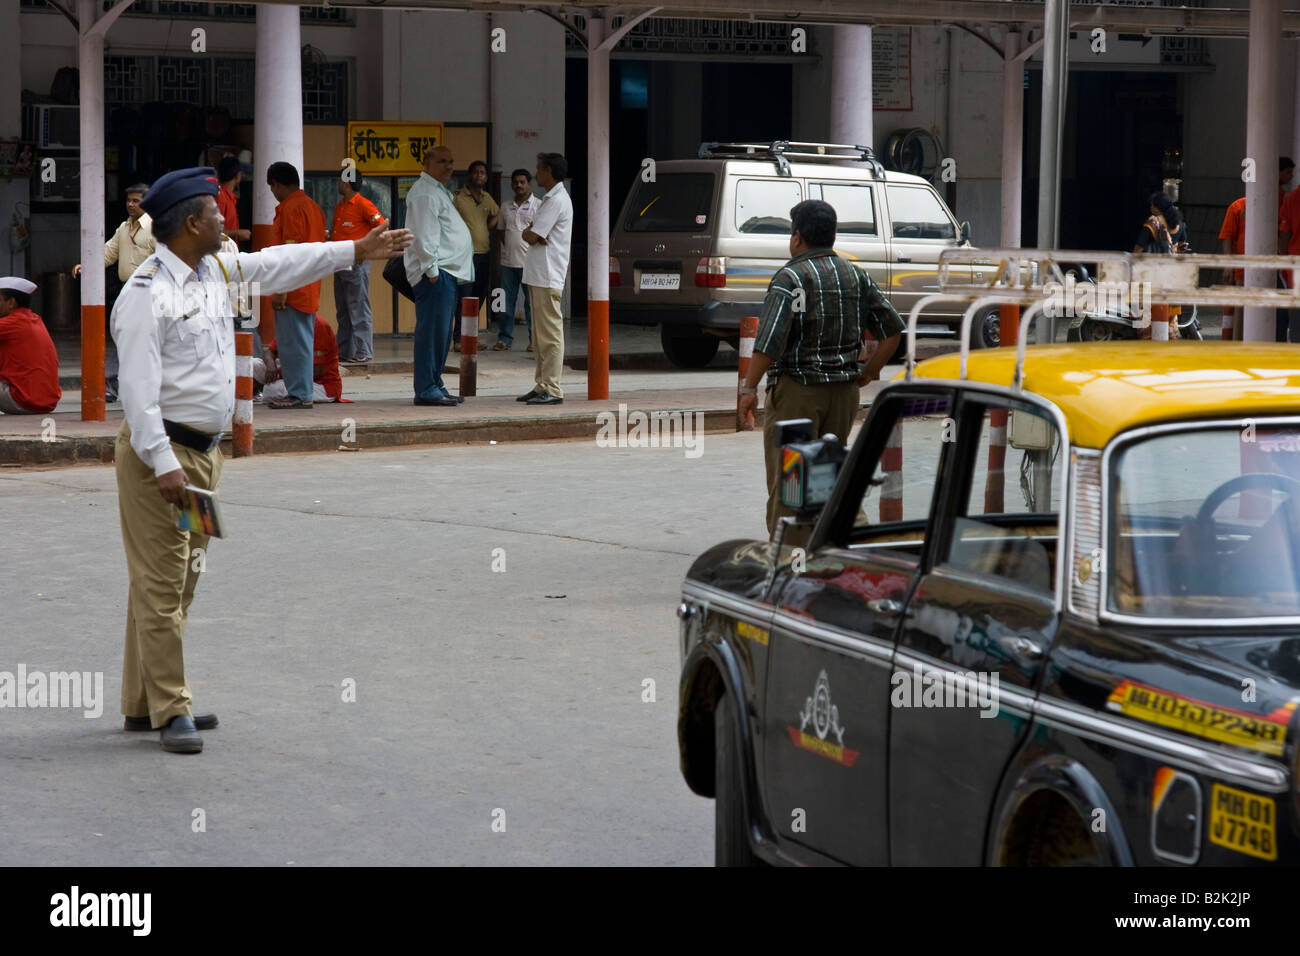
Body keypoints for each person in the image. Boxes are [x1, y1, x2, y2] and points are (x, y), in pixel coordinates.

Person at [110, 166, 410, 753]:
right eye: (217, 211)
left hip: (201, 458)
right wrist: (164, 464)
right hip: (162, 460)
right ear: (192, 223)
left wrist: (355, 250)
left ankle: (143, 702)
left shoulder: (213, 267)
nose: (228, 219)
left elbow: (280, 264)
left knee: (178, 578)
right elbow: (138, 394)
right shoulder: (147, 295)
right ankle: (173, 708)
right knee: (163, 582)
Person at [736, 199, 904, 539]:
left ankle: (790, 564)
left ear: (797, 237)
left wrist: (748, 390)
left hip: (798, 395)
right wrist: (869, 371)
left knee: (793, 484)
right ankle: (840, 553)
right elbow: (893, 331)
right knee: (831, 477)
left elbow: (768, 342)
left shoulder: (790, 277)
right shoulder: (856, 276)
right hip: (843, 395)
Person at [404, 145, 473, 406]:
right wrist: (432, 271)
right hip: (435, 274)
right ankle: (426, 388)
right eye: (442, 161)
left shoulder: (437, 191)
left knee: (442, 333)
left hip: (446, 273)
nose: (449, 166)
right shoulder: (424, 194)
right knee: (432, 332)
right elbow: (423, 236)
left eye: (452, 161)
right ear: (427, 163)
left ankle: (435, 383)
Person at [72, 183, 155, 400]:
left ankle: (114, 384)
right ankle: (115, 384)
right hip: (128, 291)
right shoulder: (124, 228)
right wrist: (87, 265)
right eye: (128, 200)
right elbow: (108, 253)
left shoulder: (157, 228)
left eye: (136, 201)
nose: (130, 204)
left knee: (134, 337)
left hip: (151, 292)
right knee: (126, 336)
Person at [266, 161, 328, 409]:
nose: (272, 192)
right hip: (307, 286)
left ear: (278, 184)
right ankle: (299, 392)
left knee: (293, 345)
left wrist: (281, 290)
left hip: (293, 289)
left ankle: (300, 394)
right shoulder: (312, 207)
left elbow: (289, 254)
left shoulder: (291, 209)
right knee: (298, 343)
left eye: (272, 187)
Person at [519, 152, 573, 405]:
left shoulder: (555, 200)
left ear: (549, 171)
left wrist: (532, 232)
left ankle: (552, 388)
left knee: (550, 334)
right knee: (540, 336)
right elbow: (532, 234)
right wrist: (532, 232)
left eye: (539, 169)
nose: (536, 173)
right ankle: (541, 384)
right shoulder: (550, 199)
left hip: (548, 274)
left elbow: (531, 235)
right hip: (539, 274)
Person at [331, 172, 386, 364]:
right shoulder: (342, 206)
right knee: (343, 309)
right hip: (340, 264)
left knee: (359, 307)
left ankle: (364, 350)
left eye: (339, 180)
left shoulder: (363, 204)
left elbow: (381, 227)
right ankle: (345, 351)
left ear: (346, 182)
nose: (338, 184)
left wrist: (367, 251)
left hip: (356, 264)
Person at [452, 160, 500, 347]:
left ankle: (469, 338)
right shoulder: (458, 198)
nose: (479, 175)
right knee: (464, 297)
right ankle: (458, 339)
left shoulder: (487, 198)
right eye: (476, 172)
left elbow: (498, 213)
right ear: (469, 175)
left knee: (478, 297)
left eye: (483, 173)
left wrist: (487, 227)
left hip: (484, 254)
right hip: (465, 256)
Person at [0, 276, 61, 415]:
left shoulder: (12, 323)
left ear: (11, 303)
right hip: (44, 401)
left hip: (23, 400)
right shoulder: (33, 319)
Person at [1133, 191, 1186, 340]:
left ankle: (1149, 338)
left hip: (1154, 272)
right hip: (1172, 273)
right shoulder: (1179, 224)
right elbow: (1182, 244)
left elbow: (1139, 248)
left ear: (1157, 207)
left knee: (1148, 308)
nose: (1150, 207)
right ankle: (1168, 335)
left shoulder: (1153, 222)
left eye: (1152, 205)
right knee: (1167, 308)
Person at [495, 168, 538, 351]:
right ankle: (504, 339)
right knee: (505, 303)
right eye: (516, 182)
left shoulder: (538, 205)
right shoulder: (505, 207)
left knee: (531, 305)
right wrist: (510, 248)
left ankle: (533, 340)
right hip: (507, 264)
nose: (519, 185)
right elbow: (500, 231)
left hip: (530, 264)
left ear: (529, 183)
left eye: (522, 182)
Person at [255, 315, 343, 404]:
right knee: (252, 365)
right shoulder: (288, 323)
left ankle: (263, 390)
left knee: (272, 389)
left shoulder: (319, 325)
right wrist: (271, 365)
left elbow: (315, 371)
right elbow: (269, 351)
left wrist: (280, 372)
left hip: (320, 386)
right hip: (291, 372)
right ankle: (255, 392)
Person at [216, 156, 251, 244]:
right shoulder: (221, 196)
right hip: (222, 253)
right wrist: (237, 233)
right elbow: (213, 231)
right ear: (237, 175)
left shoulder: (228, 197)